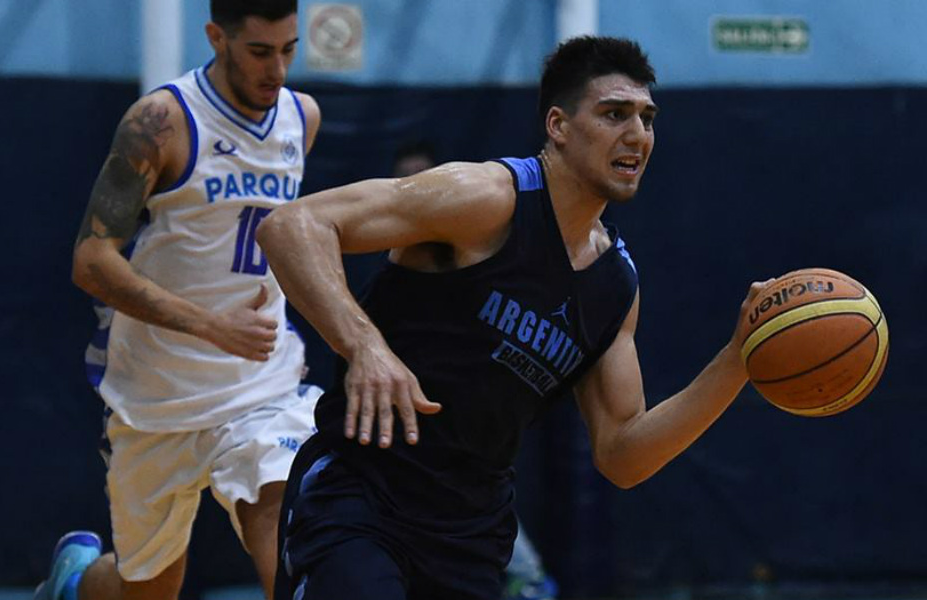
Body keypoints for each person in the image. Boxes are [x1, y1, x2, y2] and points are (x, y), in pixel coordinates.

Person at [257, 36, 769, 600]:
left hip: (470, 536)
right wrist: (366, 348)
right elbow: (292, 227)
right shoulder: (487, 198)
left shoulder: (615, 285)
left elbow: (622, 453)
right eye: (614, 114)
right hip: (362, 498)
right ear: (558, 125)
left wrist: (737, 362)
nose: (638, 135)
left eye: (648, 118)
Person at [33, 2, 321, 600]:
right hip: (156, 396)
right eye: (260, 52)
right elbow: (92, 261)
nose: (278, 71)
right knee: (149, 588)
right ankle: (79, 580)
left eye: (289, 50)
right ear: (217, 37)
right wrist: (210, 325)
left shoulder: (302, 118)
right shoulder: (161, 121)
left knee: (288, 546)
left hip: (260, 387)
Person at [391, 138, 559, 600]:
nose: (416, 188)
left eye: (424, 178)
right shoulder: (393, 260)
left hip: (469, 453)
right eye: (406, 181)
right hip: (397, 458)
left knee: (519, 573)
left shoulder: (478, 244)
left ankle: (530, 580)